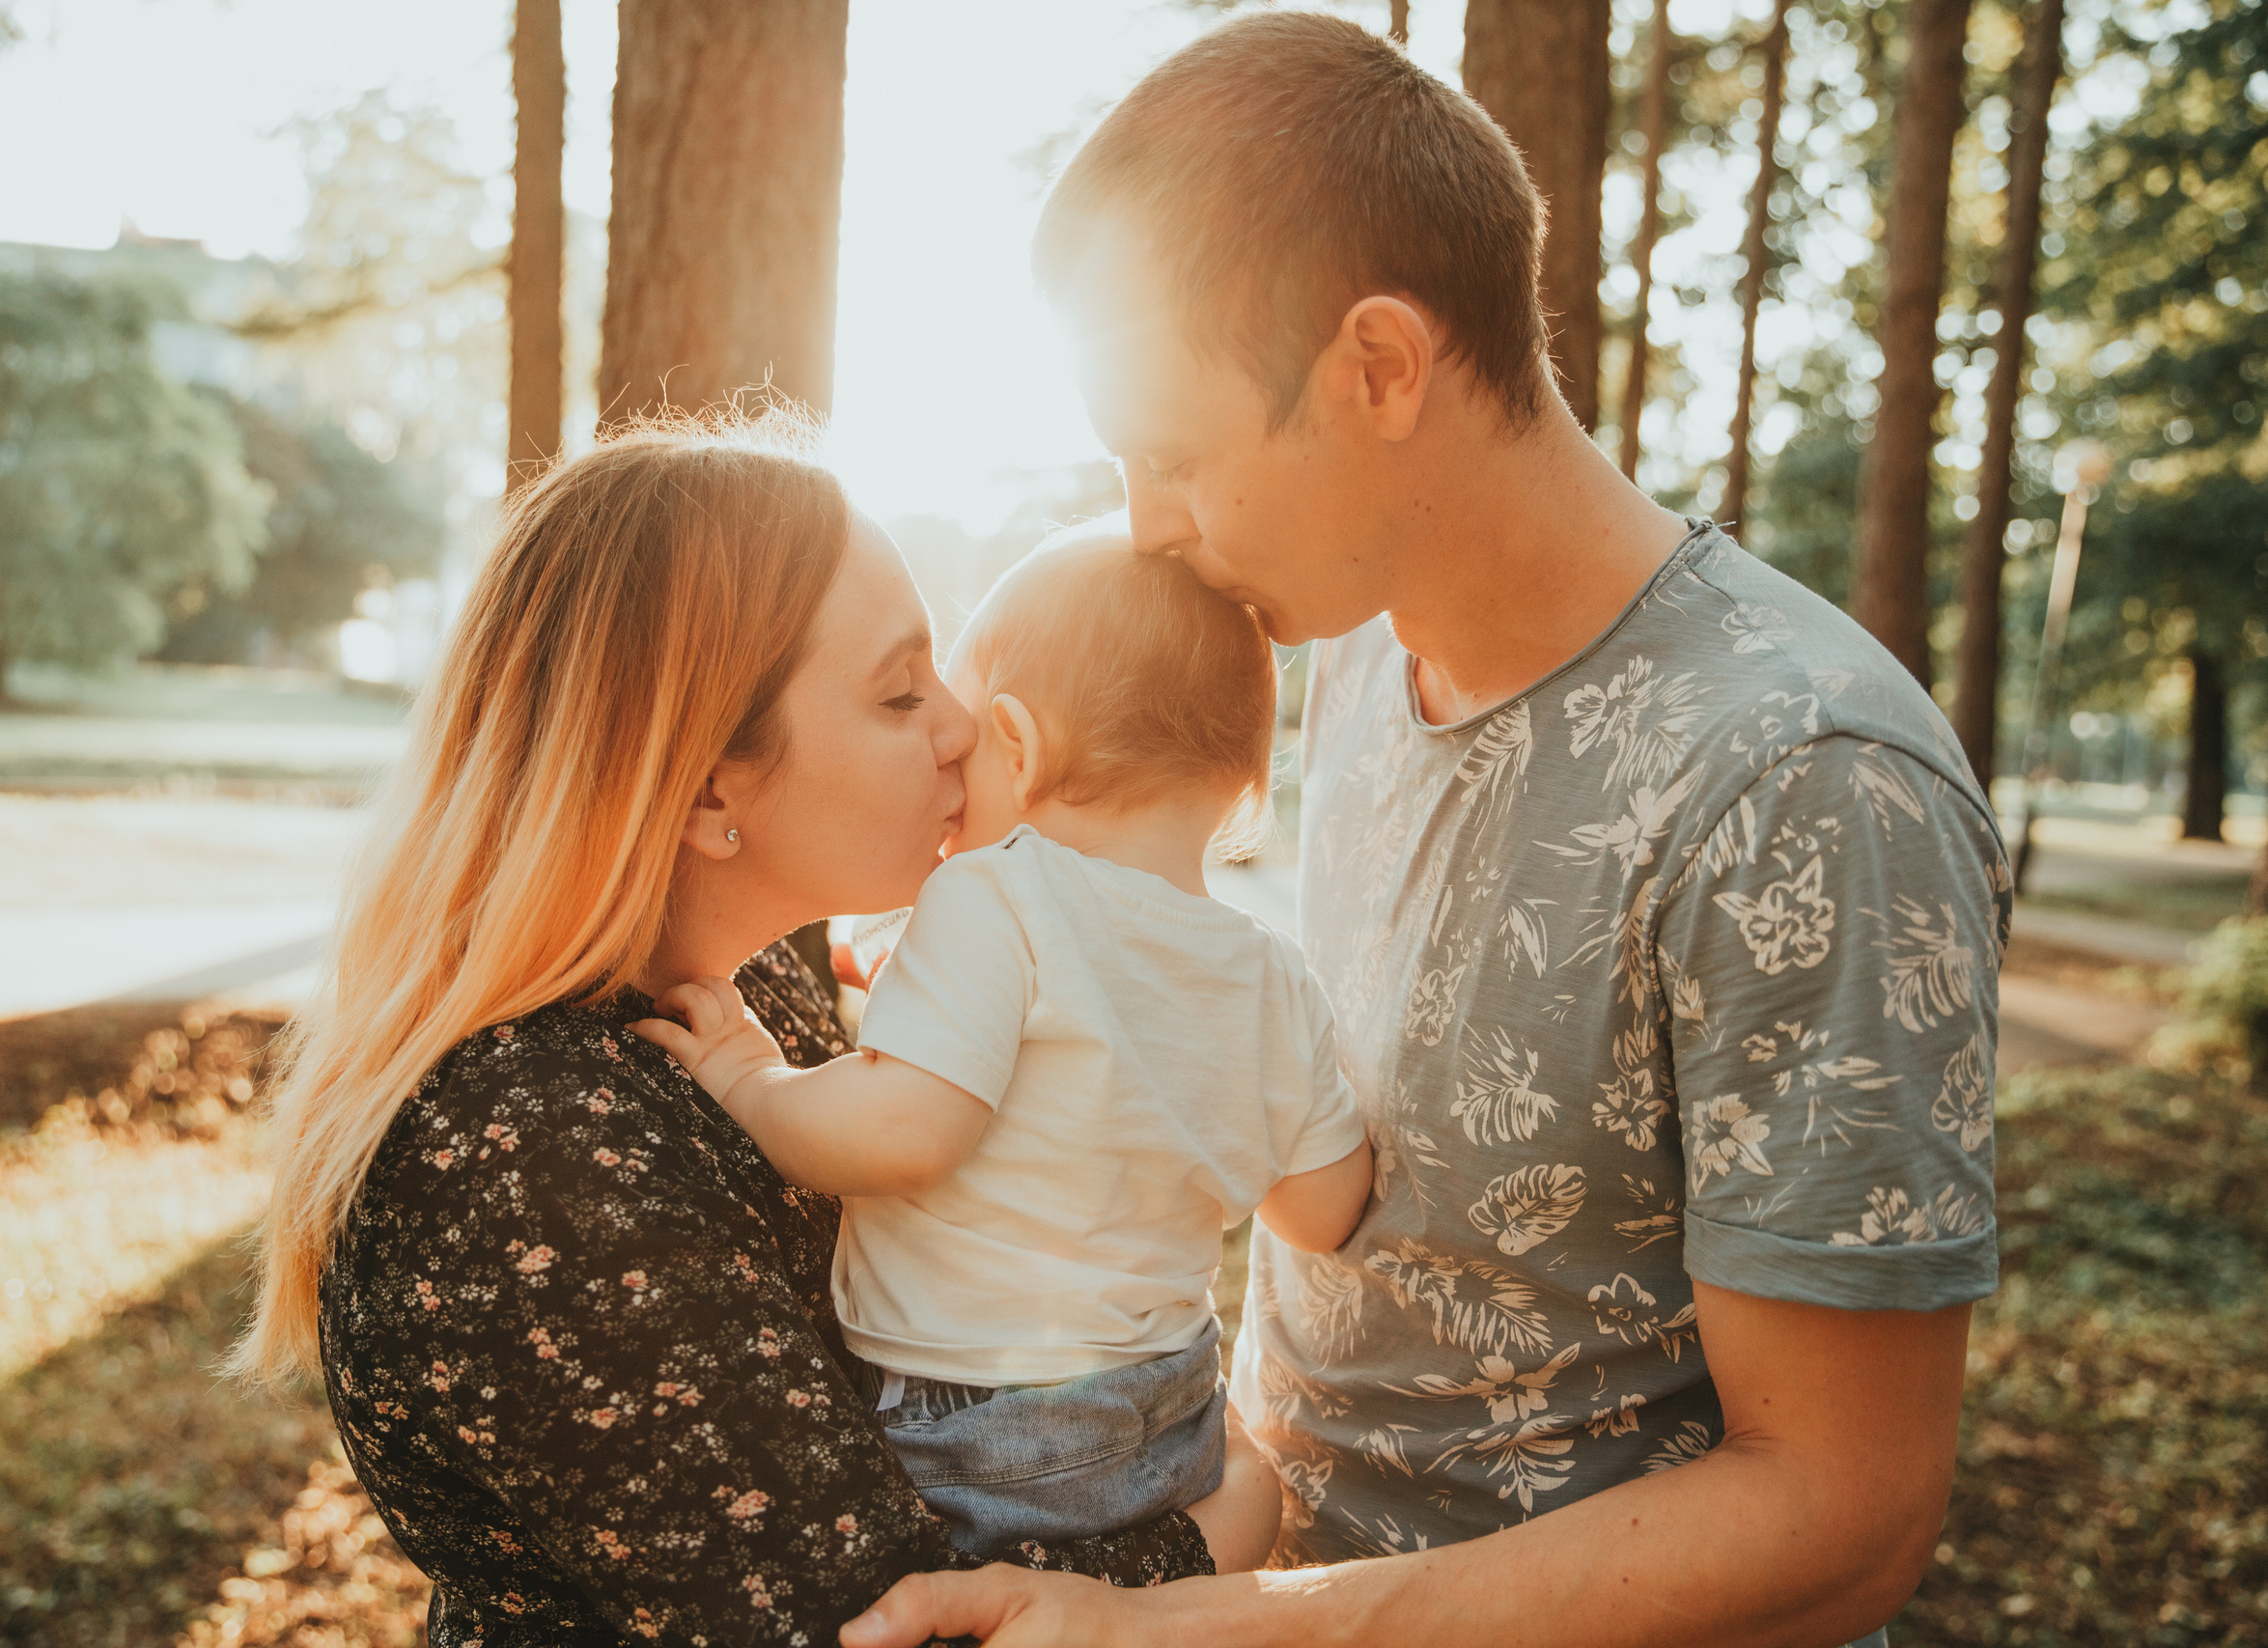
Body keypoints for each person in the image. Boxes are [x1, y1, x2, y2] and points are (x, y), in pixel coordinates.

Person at [844, 15, 2005, 1648]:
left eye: (1173, 457)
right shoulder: (1348, 658)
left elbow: (1842, 1516)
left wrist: (1206, 1626)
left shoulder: (1806, 781)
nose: (1145, 528)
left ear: (1381, 367)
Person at [230, 414, 1282, 1646]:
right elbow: (879, 1628)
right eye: (899, 692)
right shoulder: (524, 1159)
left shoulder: (749, 991)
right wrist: (1227, 1523)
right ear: (709, 793)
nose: (960, 726)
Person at [637, 529, 1371, 1558]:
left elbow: (903, 1130)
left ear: (1018, 747)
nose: (944, 758)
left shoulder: (996, 890)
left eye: (964, 732)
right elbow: (1322, 1209)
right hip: (1175, 1412)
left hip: (980, 1423)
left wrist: (750, 1078)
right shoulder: (1272, 975)